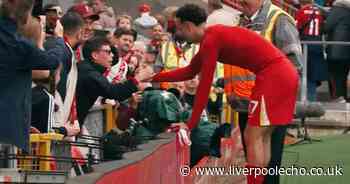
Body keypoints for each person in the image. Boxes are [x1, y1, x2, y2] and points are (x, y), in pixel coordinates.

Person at [148, 4, 299, 184]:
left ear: (188, 26)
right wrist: (153, 76)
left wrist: (190, 124)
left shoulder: (211, 39)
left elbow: (203, 88)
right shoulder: (212, 38)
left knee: (253, 135)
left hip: (274, 76)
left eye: (179, 29)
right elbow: (189, 71)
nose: (179, 34)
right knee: (261, 136)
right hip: (280, 74)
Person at [0, 0, 66, 151]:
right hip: (7, 131)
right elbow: (52, 61)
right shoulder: (18, 46)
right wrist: (58, 40)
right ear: (24, 17)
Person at [76, 36, 154, 125]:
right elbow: (113, 92)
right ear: (95, 55)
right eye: (108, 52)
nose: (112, 55)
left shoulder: (89, 68)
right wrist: (138, 78)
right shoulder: (89, 73)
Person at [324, 0, 350, 103]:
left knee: (335, 75)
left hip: (336, 50)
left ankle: (337, 97)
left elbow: (327, 27)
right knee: (343, 75)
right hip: (347, 50)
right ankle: (344, 96)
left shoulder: (337, 10)